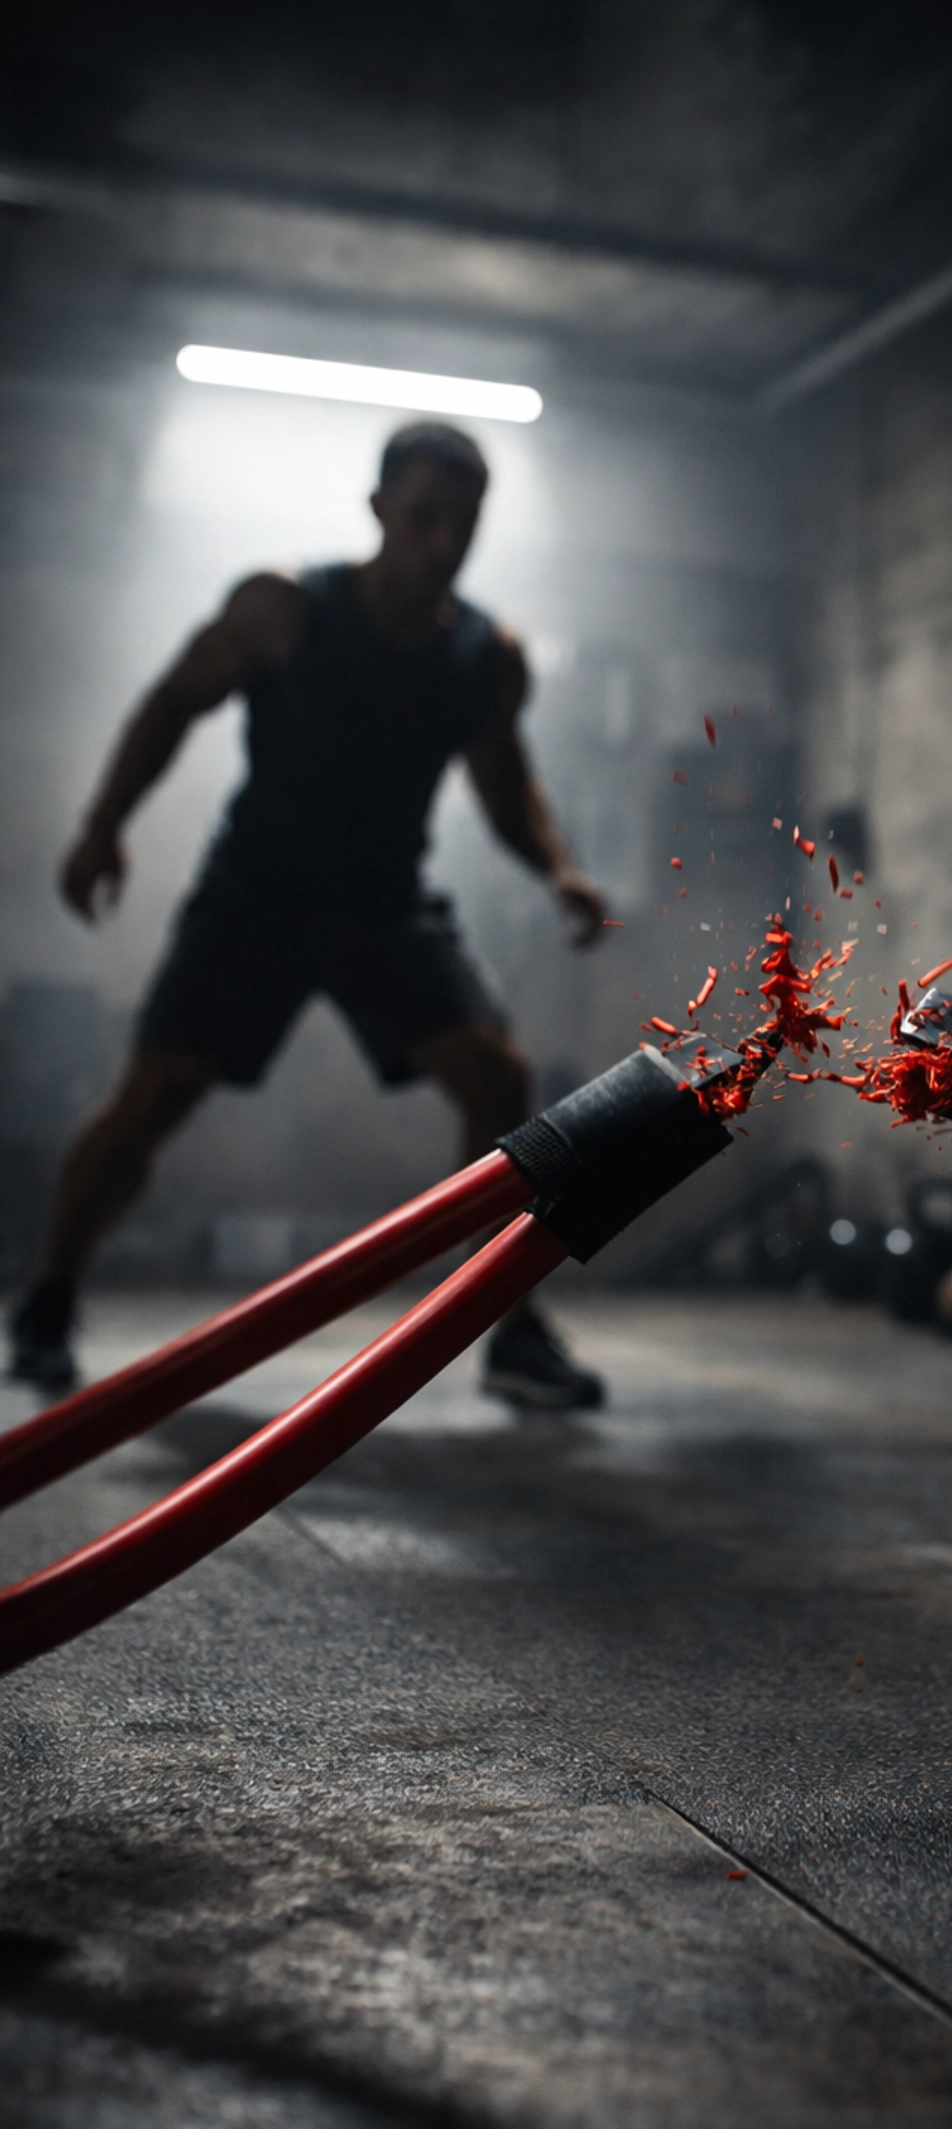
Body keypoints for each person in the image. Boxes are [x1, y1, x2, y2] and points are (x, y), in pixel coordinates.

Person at [7, 420, 608, 1409]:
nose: (442, 542)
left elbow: (506, 787)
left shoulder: (484, 654)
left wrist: (560, 871)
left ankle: (511, 1326)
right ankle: (46, 1299)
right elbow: (171, 704)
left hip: (386, 906)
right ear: (379, 511)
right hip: (257, 896)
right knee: (153, 1096)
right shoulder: (285, 607)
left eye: (462, 523)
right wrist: (103, 825)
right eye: (423, 518)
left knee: (497, 1074)